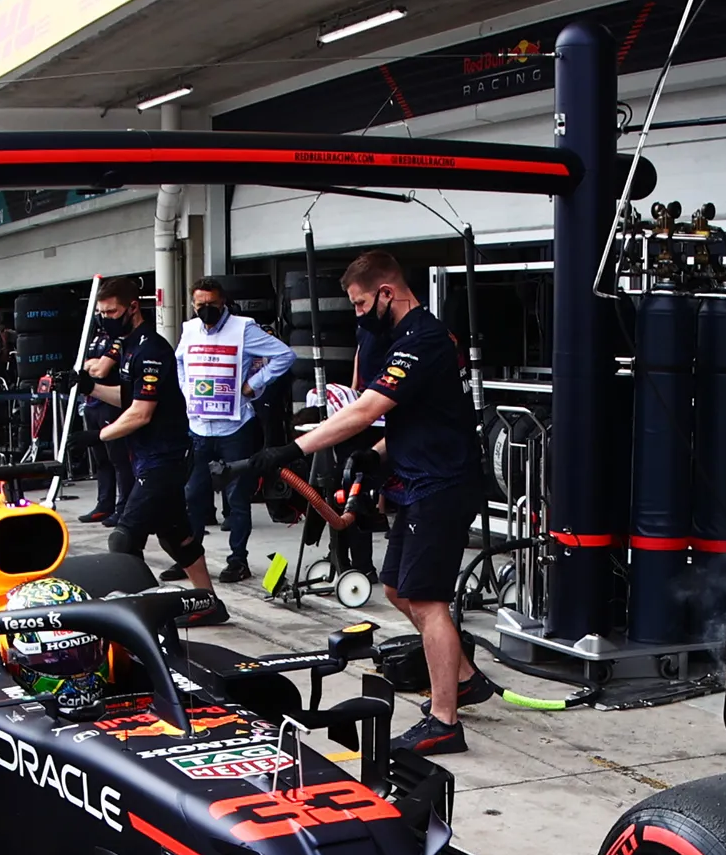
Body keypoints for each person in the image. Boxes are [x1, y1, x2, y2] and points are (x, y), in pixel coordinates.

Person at [296, 252, 493, 753]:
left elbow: (366, 410)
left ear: (386, 292)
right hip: (418, 479)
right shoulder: (395, 338)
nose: (358, 315)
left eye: (361, 304)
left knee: (428, 602)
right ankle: (465, 679)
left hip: (444, 483)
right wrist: (374, 456)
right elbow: (411, 421)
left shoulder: (424, 338)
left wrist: (294, 448)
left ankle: (445, 722)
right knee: (395, 589)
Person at [80, 277, 228, 628]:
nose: (105, 318)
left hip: (166, 457)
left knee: (124, 538)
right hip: (149, 455)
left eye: (111, 311)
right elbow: (128, 399)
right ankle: (208, 603)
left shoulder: (152, 349)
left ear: (133, 307)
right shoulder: (129, 346)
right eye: (101, 312)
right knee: (175, 534)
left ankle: (140, 615)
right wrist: (90, 387)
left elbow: (141, 413)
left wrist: (98, 436)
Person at [179, 275, 294, 584]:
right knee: (192, 496)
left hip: (235, 428)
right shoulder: (189, 329)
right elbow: (180, 362)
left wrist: (253, 385)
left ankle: (237, 560)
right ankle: (190, 559)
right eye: (200, 305)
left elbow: (284, 355)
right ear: (193, 304)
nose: (206, 310)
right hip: (200, 428)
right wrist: (186, 392)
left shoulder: (243, 328)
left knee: (238, 499)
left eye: (212, 305)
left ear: (224, 303)